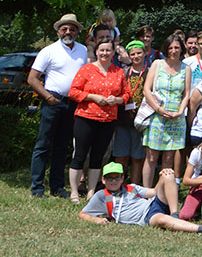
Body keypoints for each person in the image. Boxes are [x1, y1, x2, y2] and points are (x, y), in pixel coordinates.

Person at [28, 13, 88, 198]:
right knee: (43, 144)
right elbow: (32, 78)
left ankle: (57, 186)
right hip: (52, 101)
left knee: (62, 146)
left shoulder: (83, 51)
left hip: (72, 103)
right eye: (64, 28)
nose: (68, 31)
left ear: (77, 31)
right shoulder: (48, 51)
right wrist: (47, 97)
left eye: (72, 28)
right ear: (58, 31)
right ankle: (37, 188)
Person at [67, 37, 132, 203]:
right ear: (96, 52)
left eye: (108, 50)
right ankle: (74, 192)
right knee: (80, 155)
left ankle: (91, 192)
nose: (105, 53)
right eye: (101, 50)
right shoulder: (86, 70)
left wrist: (116, 100)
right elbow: (73, 92)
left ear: (113, 53)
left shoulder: (118, 72)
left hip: (108, 120)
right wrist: (93, 97)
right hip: (86, 118)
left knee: (98, 156)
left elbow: (126, 94)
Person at [79, 162, 202, 235]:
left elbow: (153, 192)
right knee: (162, 220)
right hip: (147, 217)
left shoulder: (131, 187)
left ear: (122, 178)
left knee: (168, 175)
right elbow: (82, 214)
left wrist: (162, 176)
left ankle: (175, 214)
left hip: (154, 203)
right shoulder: (102, 196)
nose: (113, 181)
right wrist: (95, 219)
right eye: (109, 178)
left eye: (116, 177)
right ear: (103, 180)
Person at [142, 34, 190, 187]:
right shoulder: (157, 64)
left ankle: (162, 193)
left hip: (176, 118)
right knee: (151, 157)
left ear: (181, 49)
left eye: (177, 47)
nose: (173, 51)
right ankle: (146, 192)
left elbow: (186, 94)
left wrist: (180, 111)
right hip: (157, 116)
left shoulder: (186, 68)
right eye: (170, 47)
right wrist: (158, 109)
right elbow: (146, 90)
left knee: (168, 159)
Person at [114, 41, 149, 184]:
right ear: (128, 56)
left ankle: (134, 186)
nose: (136, 56)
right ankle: (118, 184)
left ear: (144, 53)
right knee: (120, 155)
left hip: (141, 121)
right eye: (133, 54)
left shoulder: (149, 72)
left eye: (139, 53)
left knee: (138, 157)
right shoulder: (123, 73)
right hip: (123, 120)